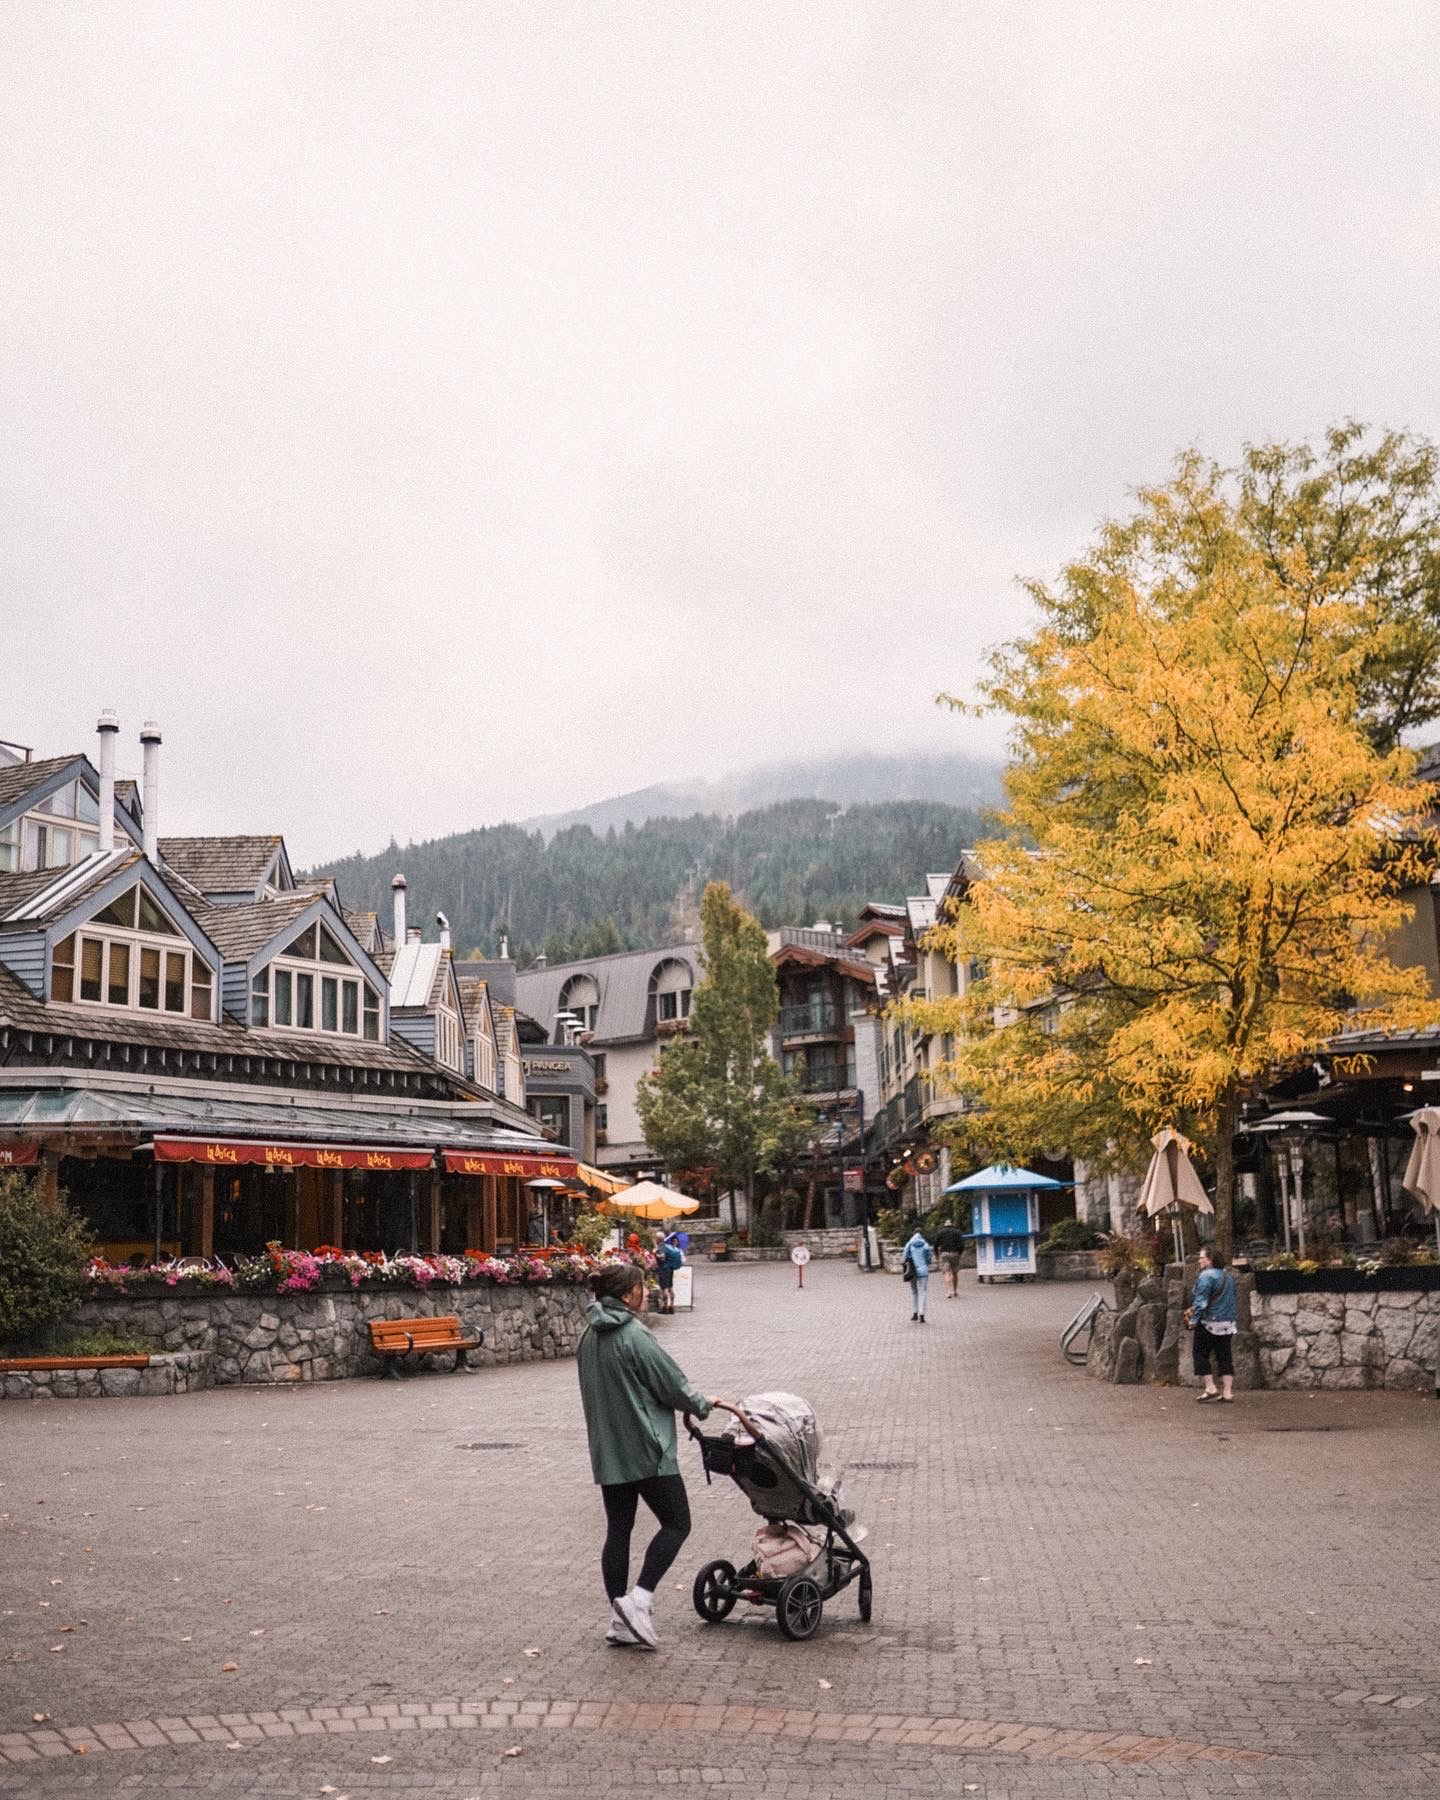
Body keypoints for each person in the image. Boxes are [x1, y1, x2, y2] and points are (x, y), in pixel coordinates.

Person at [576, 1261, 731, 1648]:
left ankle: (619, 1617)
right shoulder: (634, 1335)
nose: (646, 1294)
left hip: (609, 1449)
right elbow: (671, 1383)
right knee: (677, 1522)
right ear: (629, 1294)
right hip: (647, 1447)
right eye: (641, 1288)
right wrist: (702, 1403)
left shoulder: (587, 1337)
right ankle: (640, 1600)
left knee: (619, 1530)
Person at [1184, 1244, 1238, 1402]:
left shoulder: (1206, 1276)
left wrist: (1193, 1321)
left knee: (1200, 1354)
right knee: (1225, 1356)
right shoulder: (1228, 1276)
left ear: (1210, 1260)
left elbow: (1201, 1302)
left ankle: (1210, 1387)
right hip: (1228, 1323)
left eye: (1202, 1258)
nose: (1200, 1261)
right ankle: (1227, 1392)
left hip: (1209, 1322)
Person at [902, 1226, 933, 1322]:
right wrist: (925, 1263)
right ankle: (922, 1315)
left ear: (913, 1233)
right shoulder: (925, 1244)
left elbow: (905, 1257)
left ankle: (915, 1313)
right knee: (922, 1292)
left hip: (912, 1271)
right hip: (923, 1270)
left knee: (914, 1291)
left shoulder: (909, 1244)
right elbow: (929, 1258)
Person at [934, 1216, 966, 1298]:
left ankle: (948, 1292)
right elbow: (962, 1244)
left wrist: (937, 1255)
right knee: (955, 1273)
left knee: (946, 1273)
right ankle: (954, 1291)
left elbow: (936, 1245)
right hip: (955, 1254)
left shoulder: (940, 1232)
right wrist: (959, 1253)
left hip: (944, 1254)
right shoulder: (958, 1232)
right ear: (952, 1224)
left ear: (945, 1224)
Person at [652, 1228, 681, 1314]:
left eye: (656, 1238)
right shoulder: (667, 1246)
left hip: (663, 1269)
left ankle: (665, 1307)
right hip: (670, 1269)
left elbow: (661, 1257)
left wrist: (655, 1253)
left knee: (664, 1288)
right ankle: (671, 1306)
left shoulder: (661, 1247)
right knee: (670, 1287)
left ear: (658, 1239)